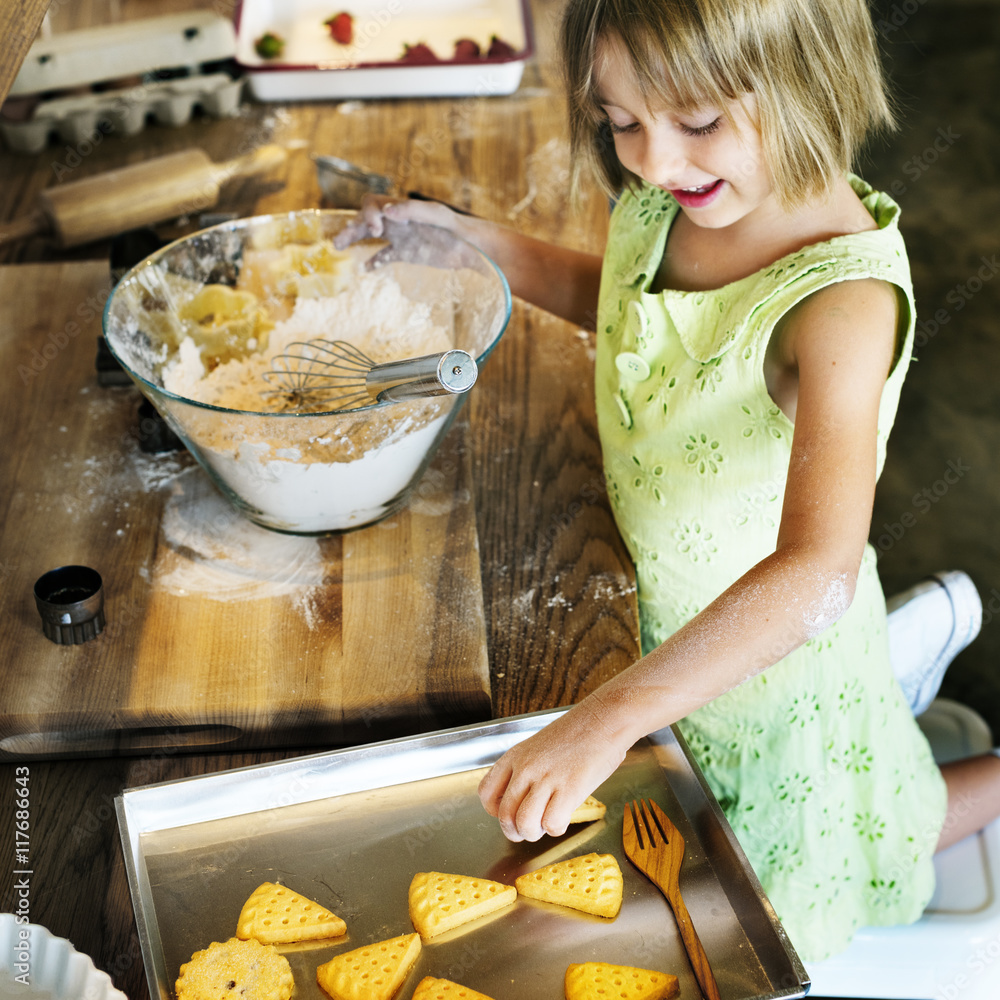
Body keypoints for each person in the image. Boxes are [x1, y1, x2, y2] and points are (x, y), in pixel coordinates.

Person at [337, 0, 1000, 963]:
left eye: (696, 123)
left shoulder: (839, 308)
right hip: (665, 645)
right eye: (621, 123)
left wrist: (601, 722)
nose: (650, 160)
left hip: (767, 680)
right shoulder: (682, 194)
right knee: (848, 810)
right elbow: (625, 300)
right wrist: (475, 244)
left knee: (821, 852)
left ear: (813, 80)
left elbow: (817, 573)